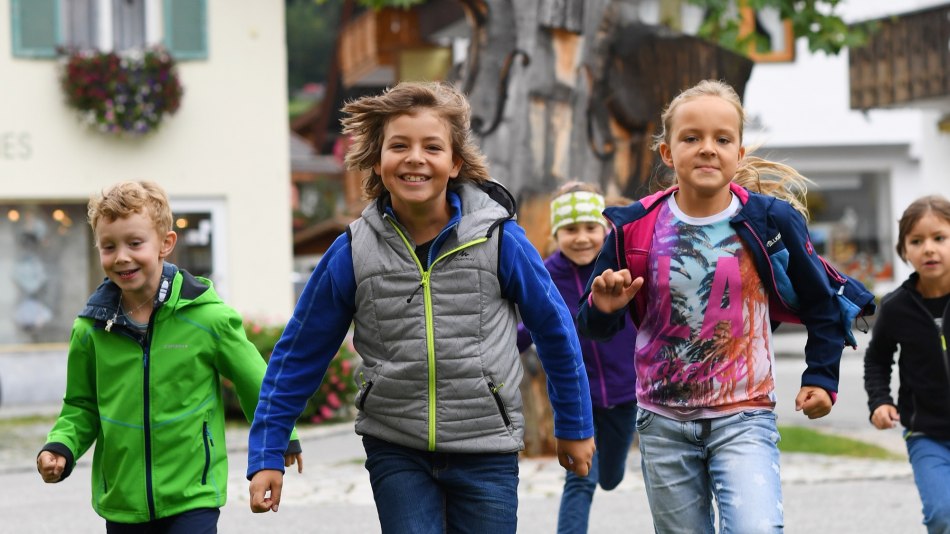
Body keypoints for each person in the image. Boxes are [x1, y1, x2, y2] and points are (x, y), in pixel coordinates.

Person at [246, 81, 596, 534]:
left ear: (454, 163)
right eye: (399, 145)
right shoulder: (353, 250)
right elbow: (300, 351)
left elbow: (556, 331)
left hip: (486, 446)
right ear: (377, 159)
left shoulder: (498, 238)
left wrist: (574, 423)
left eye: (432, 146)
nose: (415, 157)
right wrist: (268, 449)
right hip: (397, 445)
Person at [576, 79, 875, 532]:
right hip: (661, 420)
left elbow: (821, 302)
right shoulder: (633, 228)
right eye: (691, 138)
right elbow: (593, 328)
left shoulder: (770, 221)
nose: (707, 149)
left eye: (722, 139)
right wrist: (603, 306)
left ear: (738, 151)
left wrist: (821, 376)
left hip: (745, 415)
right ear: (667, 153)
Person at [35, 181, 302, 533]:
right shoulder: (91, 329)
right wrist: (61, 446)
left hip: (193, 495)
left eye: (135, 243)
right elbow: (81, 406)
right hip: (122, 500)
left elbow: (257, 382)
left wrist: (279, 439)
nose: (121, 257)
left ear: (165, 244)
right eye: (109, 246)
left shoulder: (207, 317)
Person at [516, 182, 639, 534]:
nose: (582, 238)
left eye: (590, 228)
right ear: (557, 233)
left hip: (623, 391)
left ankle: (608, 471)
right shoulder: (544, 275)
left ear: (604, 229)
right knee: (581, 480)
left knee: (610, 477)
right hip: (574, 396)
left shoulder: (619, 267)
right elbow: (528, 327)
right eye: (570, 230)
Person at [864, 195, 950, 534]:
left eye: (939, 238)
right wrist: (880, 400)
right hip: (925, 433)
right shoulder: (897, 307)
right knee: (942, 514)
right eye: (917, 241)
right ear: (904, 251)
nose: (928, 248)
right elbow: (877, 358)